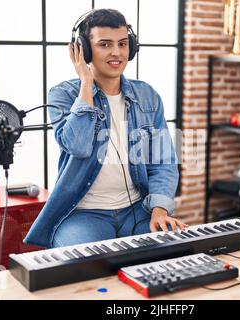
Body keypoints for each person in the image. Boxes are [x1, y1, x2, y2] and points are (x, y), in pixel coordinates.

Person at [24, 9, 186, 249]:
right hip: (83, 214)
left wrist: (159, 210)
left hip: (136, 210)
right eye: (104, 44)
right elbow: (77, 146)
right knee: (87, 267)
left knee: (176, 252)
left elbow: (163, 162)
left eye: (122, 43)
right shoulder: (63, 95)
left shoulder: (148, 96)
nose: (116, 53)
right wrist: (86, 84)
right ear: (83, 50)